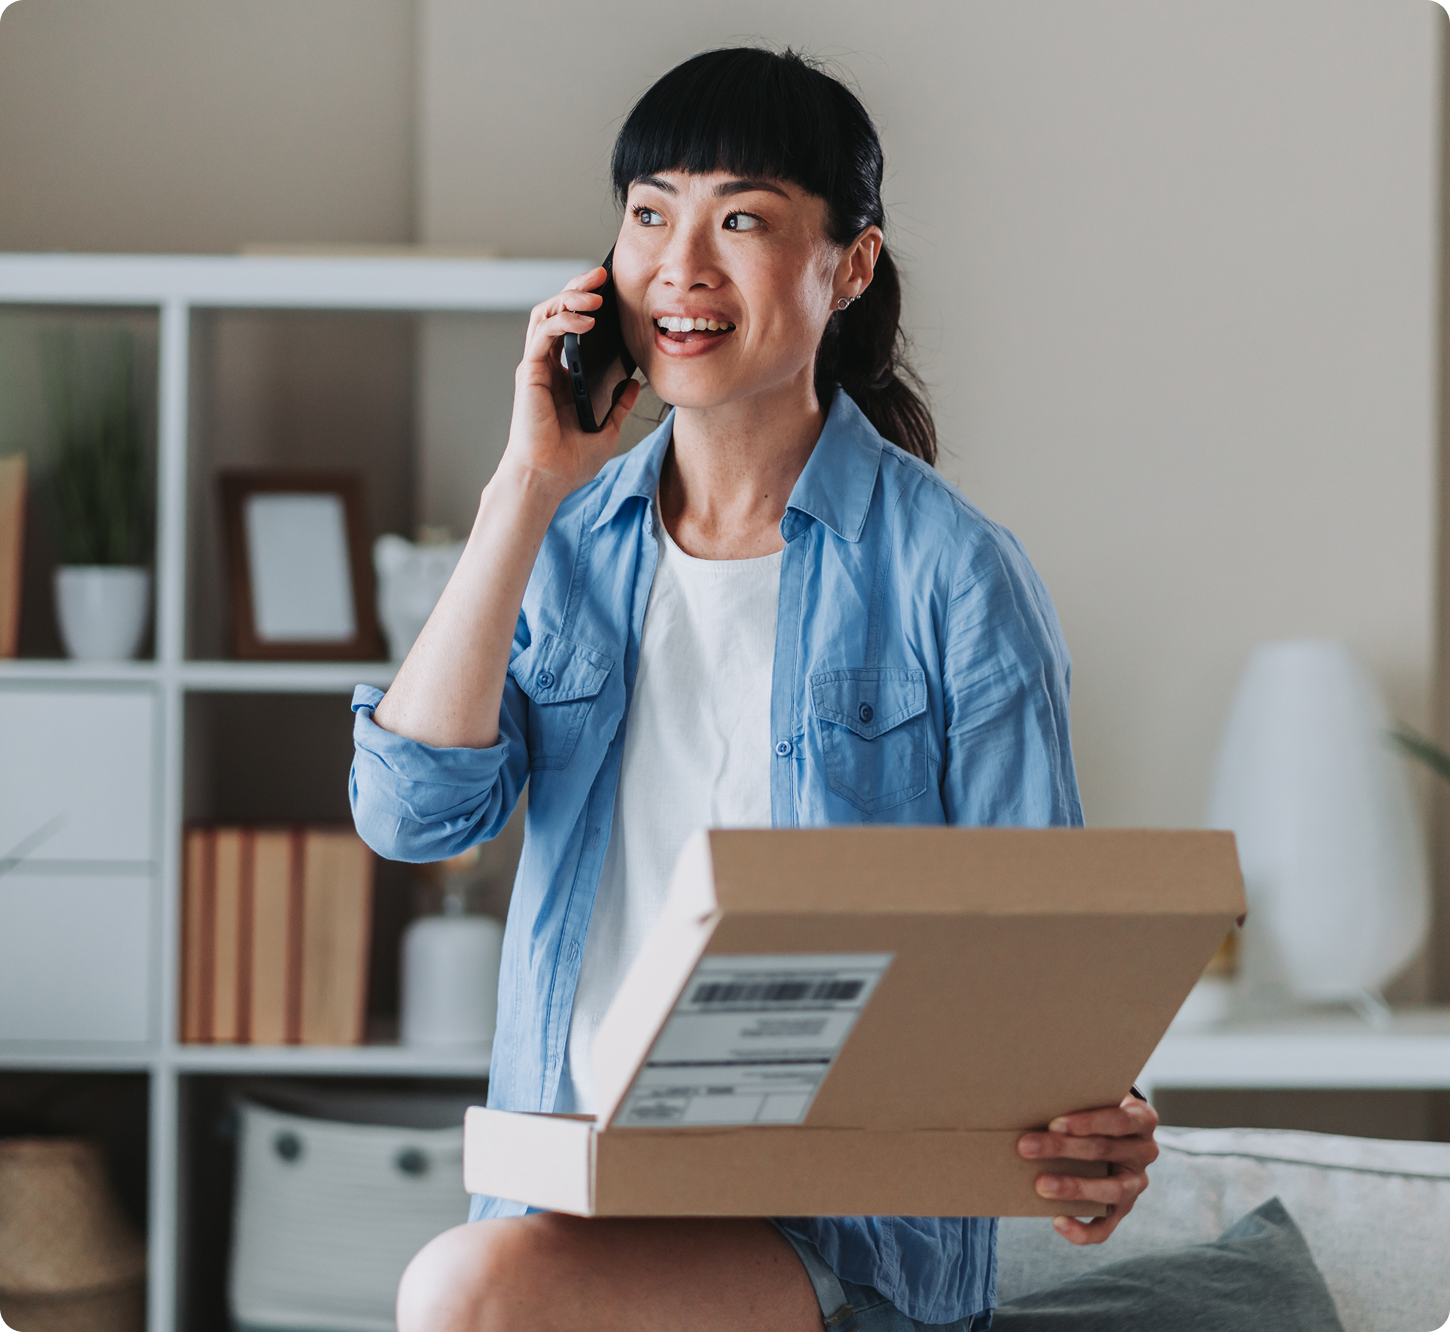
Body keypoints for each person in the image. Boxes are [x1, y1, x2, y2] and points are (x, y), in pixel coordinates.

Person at [351, 45, 1159, 1332]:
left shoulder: (957, 575)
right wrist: (523, 488)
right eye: (649, 213)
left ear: (849, 268)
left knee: (463, 1296)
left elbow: (1034, 956)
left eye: (741, 220)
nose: (682, 263)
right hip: (579, 1194)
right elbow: (411, 815)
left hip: (841, 1236)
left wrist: (1096, 1125)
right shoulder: (561, 541)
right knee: (482, 1278)